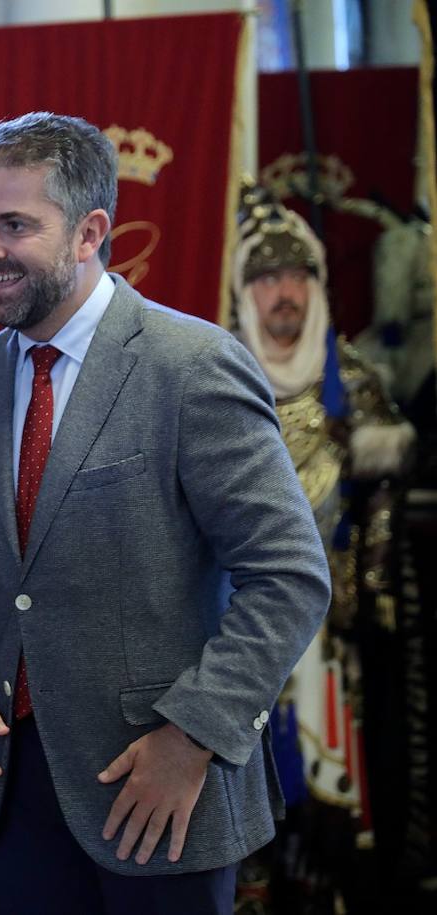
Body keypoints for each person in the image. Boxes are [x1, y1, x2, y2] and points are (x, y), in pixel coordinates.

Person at [0, 112, 331, 914]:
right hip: (14, 796)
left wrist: (194, 736)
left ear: (89, 232)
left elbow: (289, 575)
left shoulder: (192, 366)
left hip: (160, 788)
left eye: (14, 225)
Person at [231, 188, 415, 913]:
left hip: (334, 642)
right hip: (239, 639)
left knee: (335, 808)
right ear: (244, 289)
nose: (284, 291)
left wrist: (366, 585)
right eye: (267, 276)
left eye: (299, 274)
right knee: (247, 812)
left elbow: (384, 503)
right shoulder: (216, 378)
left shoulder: (356, 384)